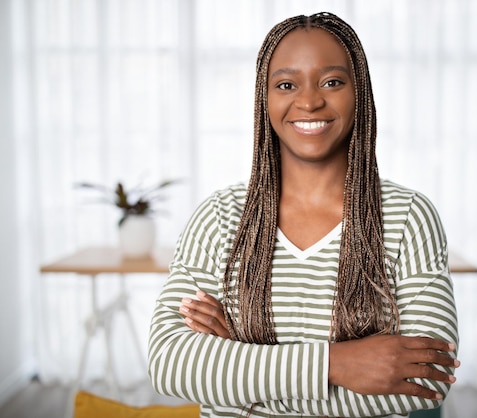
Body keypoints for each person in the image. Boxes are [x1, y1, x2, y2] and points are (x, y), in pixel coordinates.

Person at [148, 12, 459, 418]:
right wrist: (339, 364)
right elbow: (171, 364)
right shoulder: (219, 217)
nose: (310, 101)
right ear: (266, 97)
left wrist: (239, 365)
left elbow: (426, 379)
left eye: (332, 82)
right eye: (286, 84)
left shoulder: (409, 217)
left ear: (359, 92)